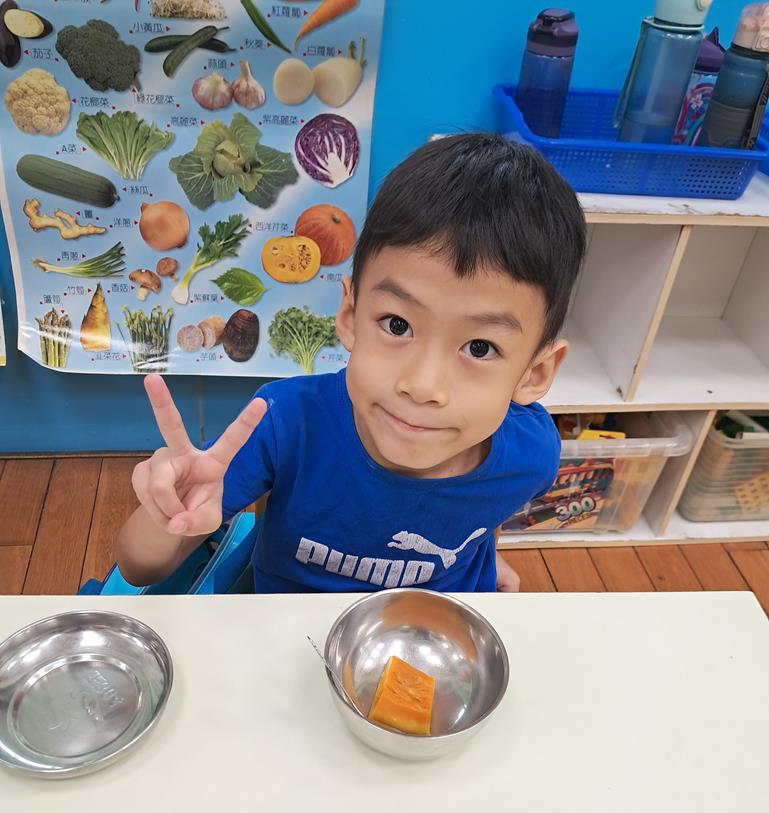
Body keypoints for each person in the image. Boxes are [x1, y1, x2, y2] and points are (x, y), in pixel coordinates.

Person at [115, 133, 586, 594]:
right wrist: (167, 517)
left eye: (480, 348)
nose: (422, 386)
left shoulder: (531, 452)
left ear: (535, 374)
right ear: (349, 316)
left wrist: (481, 549)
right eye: (398, 325)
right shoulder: (285, 422)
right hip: (286, 628)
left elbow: (490, 502)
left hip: (433, 627)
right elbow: (138, 569)